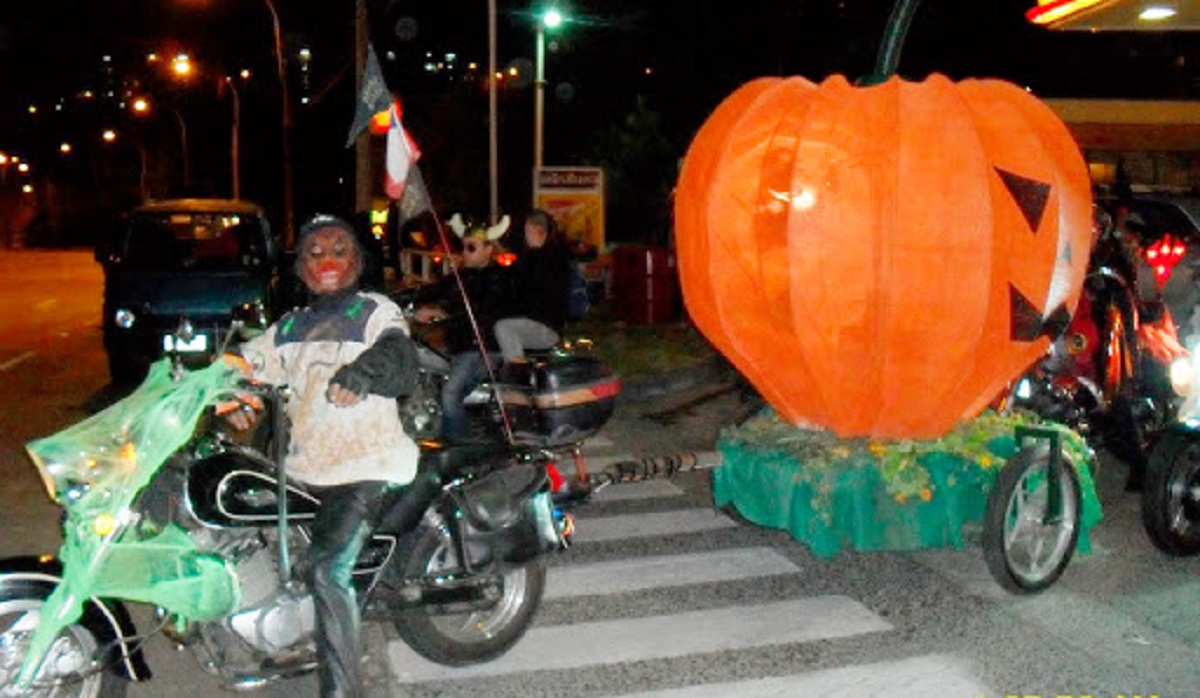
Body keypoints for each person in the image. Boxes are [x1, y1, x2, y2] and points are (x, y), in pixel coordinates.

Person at [229, 213, 420, 697]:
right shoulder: (289, 327)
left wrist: (365, 372)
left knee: (327, 569)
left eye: (339, 250)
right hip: (304, 467)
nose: (327, 261)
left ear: (357, 261)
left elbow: (400, 357)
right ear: (300, 268)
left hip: (364, 465)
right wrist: (222, 388)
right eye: (314, 254)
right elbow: (246, 364)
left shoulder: (373, 311)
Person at [413, 213, 515, 439]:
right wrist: (405, 298)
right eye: (463, 247)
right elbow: (434, 290)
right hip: (460, 345)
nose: (465, 252)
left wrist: (440, 311)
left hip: (482, 348)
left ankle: (455, 448)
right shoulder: (461, 275)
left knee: (451, 393)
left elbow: (479, 306)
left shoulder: (496, 278)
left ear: (488, 249)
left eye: (471, 247)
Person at [493, 209, 573, 362]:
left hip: (545, 325)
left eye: (527, 230)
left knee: (504, 328)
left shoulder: (551, 258)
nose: (525, 235)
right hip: (529, 320)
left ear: (537, 229)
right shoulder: (529, 257)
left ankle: (517, 372)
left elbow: (535, 294)